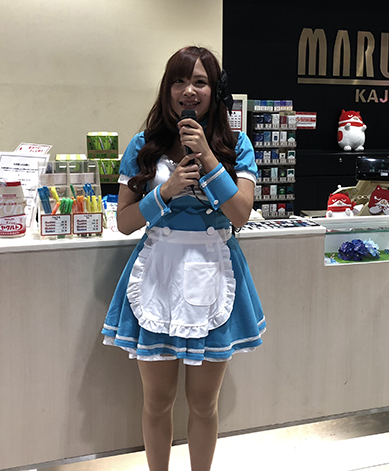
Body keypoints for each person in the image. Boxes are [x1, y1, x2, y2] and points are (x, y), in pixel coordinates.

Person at [101, 46, 265, 471]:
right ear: (167, 88)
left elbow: (241, 215)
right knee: (157, 402)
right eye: (179, 81)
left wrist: (208, 156)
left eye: (200, 82)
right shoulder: (144, 145)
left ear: (215, 91)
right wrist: (166, 190)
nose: (188, 91)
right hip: (158, 271)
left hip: (215, 270)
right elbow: (125, 222)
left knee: (204, 404)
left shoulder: (236, 145)